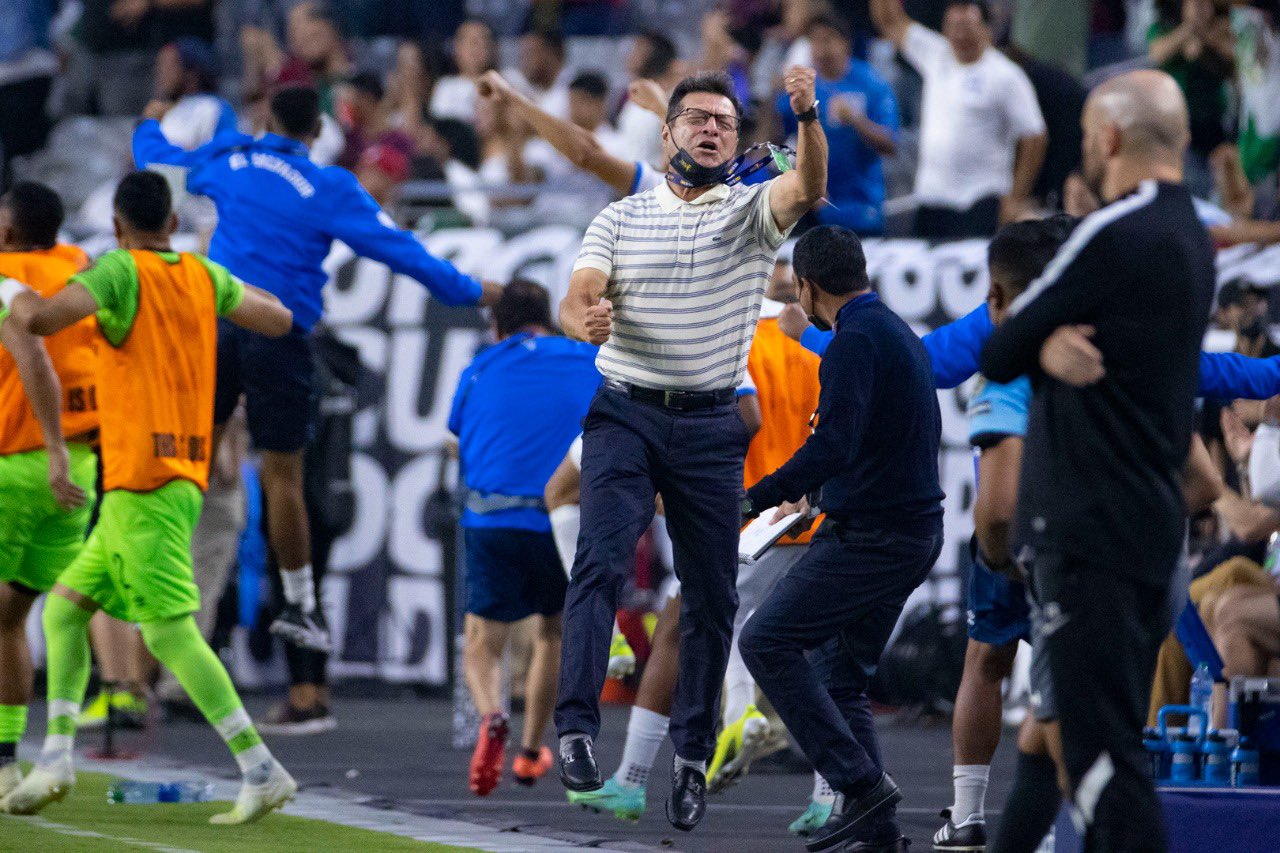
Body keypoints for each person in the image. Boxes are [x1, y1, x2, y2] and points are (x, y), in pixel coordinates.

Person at [132, 85, 501, 654]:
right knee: (283, 478)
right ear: (318, 130)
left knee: (188, 454)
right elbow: (404, 252)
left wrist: (151, 117)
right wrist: (474, 289)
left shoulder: (228, 160)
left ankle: (147, 571)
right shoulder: (330, 188)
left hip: (219, 324)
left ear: (267, 117)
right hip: (281, 334)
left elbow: (154, 161)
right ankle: (301, 606)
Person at [555, 68, 826, 832]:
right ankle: (576, 728)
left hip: (710, 427)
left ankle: (689, 757)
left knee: (712, 600)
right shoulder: (619, 216)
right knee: (600, 559)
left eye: (727, 123)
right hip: (625, 411)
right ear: (667, 132)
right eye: (698, 118)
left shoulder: (750, 214)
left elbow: (805, 185)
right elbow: (578, 294)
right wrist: (587, 319)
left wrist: (807, 116)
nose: (712, 129)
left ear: (737, 141)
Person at [0, 171, 296, 823]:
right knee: (64, 611)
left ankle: (260, 767)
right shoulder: (199, 274)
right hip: (161, 476)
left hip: (144, 480)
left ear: (116, 224)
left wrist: (13, 291)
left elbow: (45, 319)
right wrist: (234, 289)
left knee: (167, 633)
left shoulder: (117, 271)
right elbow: (277, 317)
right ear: (169, 221)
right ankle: (55, 757)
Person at [980, 70, 1215, 852]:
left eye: (1086, 138)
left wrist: (1041, 340)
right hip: (1147, 526)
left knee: (1100, 764)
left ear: (1108, 139)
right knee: (1078, 746)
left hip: (1090, 532)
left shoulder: (1112, 230)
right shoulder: (1189, 234)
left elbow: (1000, 344)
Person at [739, 225, 942, 853]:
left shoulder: (855, 342)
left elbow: (833, 445)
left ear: (805, 287)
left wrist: (757, 497)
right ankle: (877, 830)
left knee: (765, 641)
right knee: (840, 675)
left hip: (874, 537)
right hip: (903, 530)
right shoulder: (891, 331)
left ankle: (862, 784)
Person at [934, 216, 1077, 853]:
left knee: (991, 661)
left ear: (998, 296)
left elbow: (995, 509)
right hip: (1099, 544)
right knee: (1086, 683)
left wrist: (1001, 558)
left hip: (1032, 546)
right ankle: (1062, 824)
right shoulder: (1117, 351)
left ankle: (974, 818)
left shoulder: (1009, 366)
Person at [448, 280, 602, 796]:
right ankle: (533, 749)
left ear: (498, 327)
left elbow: (457, 445)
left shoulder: (481, 367)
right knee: (552, 633)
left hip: (493, 518)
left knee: (482, 641)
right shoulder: (586, 359)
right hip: (561, 519)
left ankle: (493, 716)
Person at [0, 183, 96, 798]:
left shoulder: (6, 276)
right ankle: (14, 758)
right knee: (15, 616)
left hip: (17, 462)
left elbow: (31, 356)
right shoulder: (81, 267)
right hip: (79, 467)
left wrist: (53, 444)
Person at [869, 0, 1047, 237]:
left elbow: (1034, 136)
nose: (959, 33)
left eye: (966, 25)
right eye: (952, 25)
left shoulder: (1005, 75)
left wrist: (1016, 197)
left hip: (982, 198)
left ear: (986, 29)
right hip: (933, 198)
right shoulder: (936, 53)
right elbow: (889, 21)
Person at [775, 13, 898, 235]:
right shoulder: (802, 90)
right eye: (815, 41)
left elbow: (890, 145)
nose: (821, 49)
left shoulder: (871, 83)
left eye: (829, 39)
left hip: (860, 207)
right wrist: (795, 179)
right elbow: (775, 148)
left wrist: (857, 120)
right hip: (812, 209)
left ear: (846, 43)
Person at [522, 71, 630, 228]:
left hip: (588, 223)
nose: (574, 108)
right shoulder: (551, 140)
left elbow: (585, 158)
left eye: (582, 102)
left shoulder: (617, 144)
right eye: (572, 101)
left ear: (600, 104)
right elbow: (530, 171)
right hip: (544, 220)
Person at [152, 38, 237, 152]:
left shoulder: (213, 108)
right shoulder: (159, 112)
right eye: (160, 66)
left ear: (191, 73)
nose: (162, 74)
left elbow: (224, 155)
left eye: (169, 66)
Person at [430, 18, 498, 123]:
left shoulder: (506, 82)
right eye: (470, 41)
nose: (475, 48)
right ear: (456, 48)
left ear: (492, 48)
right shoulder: (446, 87)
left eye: (482, 41)